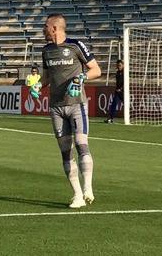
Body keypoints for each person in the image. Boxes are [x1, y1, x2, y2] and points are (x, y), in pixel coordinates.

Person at [40, 13, 101, 208]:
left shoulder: (76, 46)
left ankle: (88, 188)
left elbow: (95, 70)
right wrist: (37, 86)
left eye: (45, 27)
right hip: (56, 107)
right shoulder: (46, 51)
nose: (43, 30)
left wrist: (80, 78)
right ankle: (77, 195)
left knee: (82, 145)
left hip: (77, 104)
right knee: (66, 152)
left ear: (54, 28)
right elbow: (47, 77)